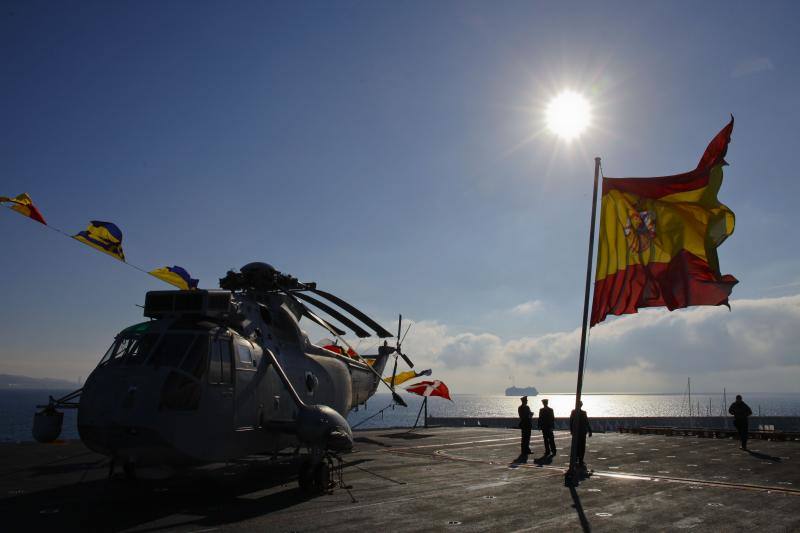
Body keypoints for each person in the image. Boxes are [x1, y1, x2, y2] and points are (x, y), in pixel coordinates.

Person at [569, 401, 592, 467]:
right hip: (581, 432)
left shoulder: (574, 412)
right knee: (581, 446)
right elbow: (587, 422)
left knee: (577, 446)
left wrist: (571, 430)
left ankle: (577, 458)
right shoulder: (581, 413)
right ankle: (580, 459)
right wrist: (590, 431)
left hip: (578, 432)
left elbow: (571, 422)